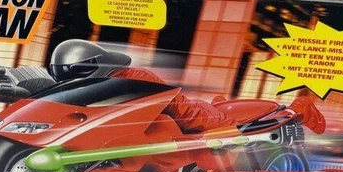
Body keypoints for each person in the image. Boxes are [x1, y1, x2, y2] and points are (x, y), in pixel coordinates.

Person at [49, 40, 234, 133]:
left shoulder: (136, 80)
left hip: (190, 121)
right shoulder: (75, 93)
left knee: (181, 115)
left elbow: (184, 113)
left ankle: (225, 114)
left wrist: (232, 129)